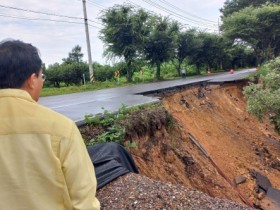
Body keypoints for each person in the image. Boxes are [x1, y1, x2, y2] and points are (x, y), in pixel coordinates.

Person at [0, 39, 100, 210]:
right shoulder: (62, 128)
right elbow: (84, 201)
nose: (42, 81)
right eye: (41, 76)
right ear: (32, 79)